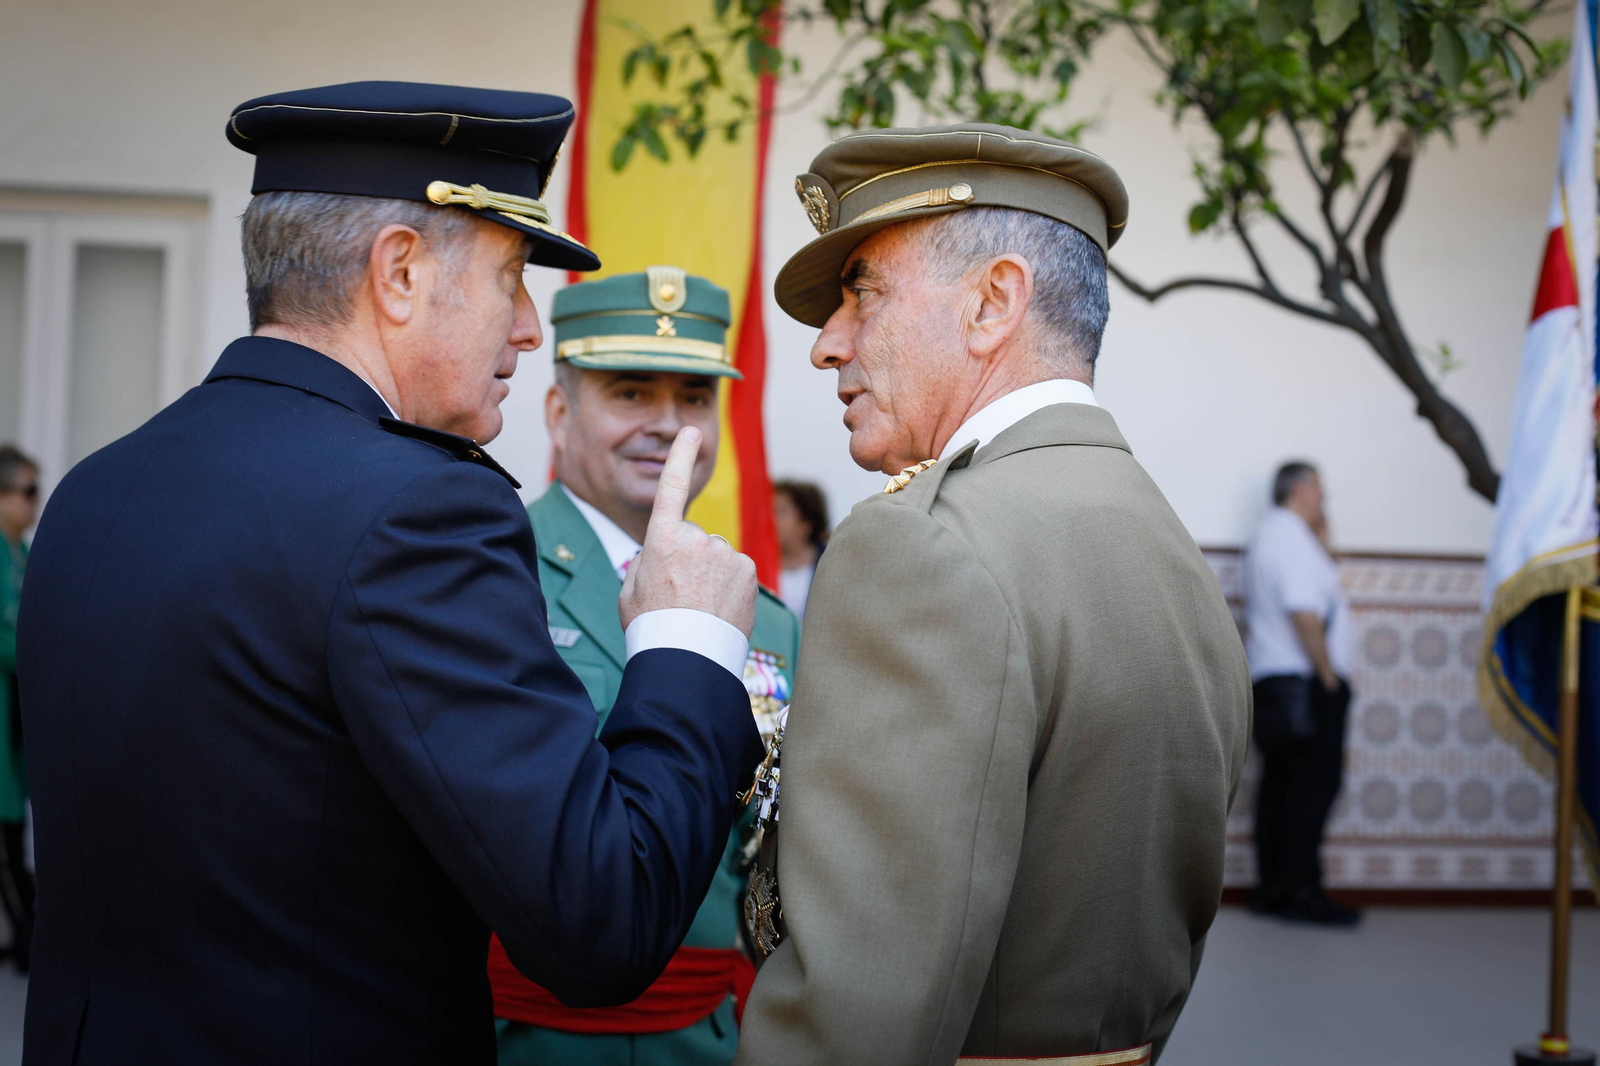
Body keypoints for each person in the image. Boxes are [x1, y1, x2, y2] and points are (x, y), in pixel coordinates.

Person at [17, 82, 765, 1065]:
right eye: (509, 277)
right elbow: (598, 920)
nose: (530, 329)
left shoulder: (96, 487)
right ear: (400, 272)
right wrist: (688, 641)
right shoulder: (419, 508)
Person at [735, 123, 1252, 1065]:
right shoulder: (1162, 538)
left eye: (863, 293)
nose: (828, 345)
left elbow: (856, 1009)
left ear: (993, 303)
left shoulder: (924, 546)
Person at [490, 268, 801, 1066]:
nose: (669, 425)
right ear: (559, 412)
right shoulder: (490, 575)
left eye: (696, 398)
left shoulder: (761, 613)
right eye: (631, 392)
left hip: (708, 1038)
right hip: (526, 1040)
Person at [1241, 461, 1359, 926]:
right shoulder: (1289, 537)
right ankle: (1302, 893)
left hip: (1277, 680)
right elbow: (1304, 613)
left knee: (1281, 788)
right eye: (1320, 488)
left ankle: (1275, 890)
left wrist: (1323, 546)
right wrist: (1329, 677)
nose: (1324, 498)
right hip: (1304, 682)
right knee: (1311, 788)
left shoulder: (1275, 535)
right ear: (1302, 488)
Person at [0, 444, 37, 974]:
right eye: (27, 491)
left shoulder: (23, 553)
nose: (35, 503)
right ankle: (30, 940)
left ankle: (27, 937)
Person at [771, 481, 828, 619]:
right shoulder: (754, 565)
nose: (770, 519)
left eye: (780, 511)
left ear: (806, 523)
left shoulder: (833, 565)